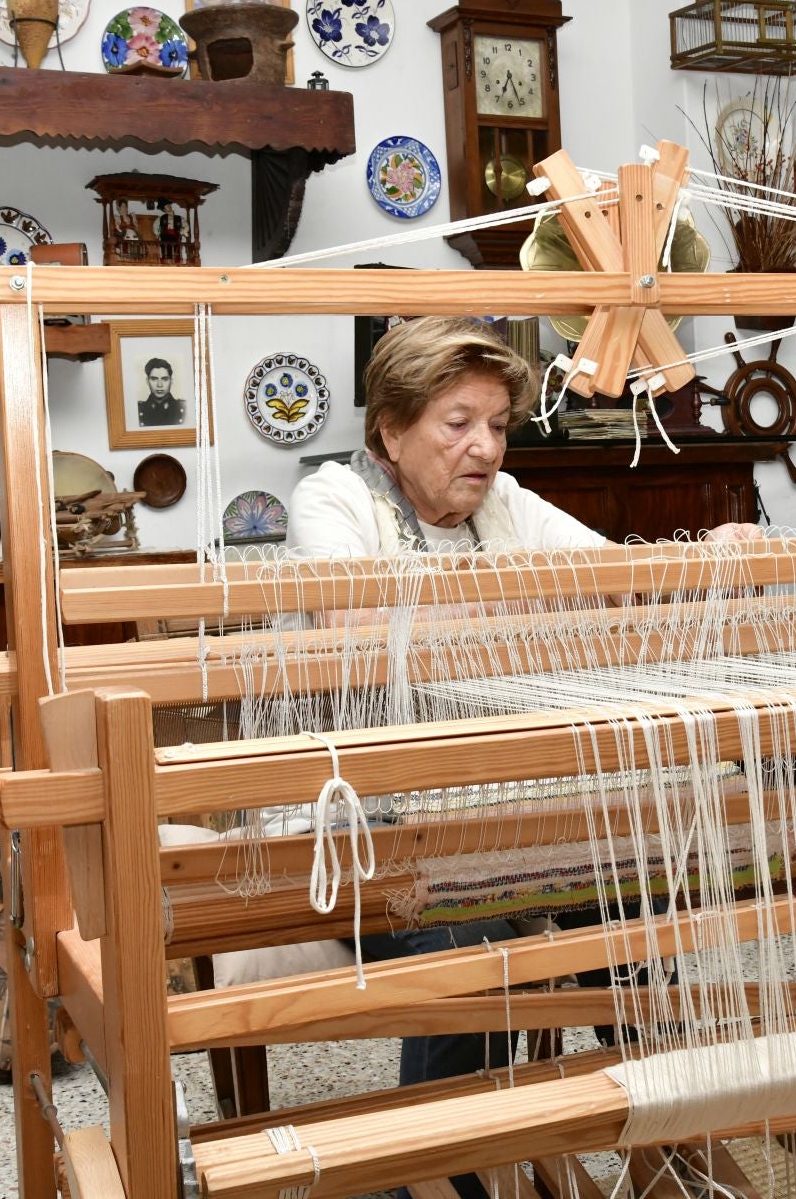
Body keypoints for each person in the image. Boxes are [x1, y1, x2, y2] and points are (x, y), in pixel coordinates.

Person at [287, 316, 759, 1199]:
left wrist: (704, 562)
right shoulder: (333, 502)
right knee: (470, 941)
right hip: (373, 826)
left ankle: (663, 1140)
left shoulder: (504, 506)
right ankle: (439, 1169)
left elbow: (613, 580)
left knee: (633, 909)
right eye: (458, 421)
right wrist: (537, 618)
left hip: (508, 808)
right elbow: (352, 630)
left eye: (498, 424)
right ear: (391, 428)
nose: (486, 447)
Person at [136, 357, 187, 427]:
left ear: (171, 381)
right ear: (147, 381)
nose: (159, 385)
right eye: (154, 379)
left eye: (165, 379)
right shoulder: (138, 410)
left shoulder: (184, 408)